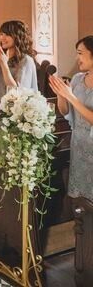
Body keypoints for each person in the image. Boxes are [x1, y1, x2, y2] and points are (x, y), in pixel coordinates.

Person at [49, 36, 93, 201]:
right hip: (78, 145)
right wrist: (61, 95)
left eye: (80, 53)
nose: (77, 58)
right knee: (79, 200)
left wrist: (71, 97)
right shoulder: (77, 79)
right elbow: (65, 111)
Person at [0, 20, 38, 155]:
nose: (2, 38)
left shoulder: (26, 61)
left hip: (16, 116)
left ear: (17, 36)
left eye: (7, 34)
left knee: (12, 157)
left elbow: (16, 91)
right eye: (1, 34)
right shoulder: (2, 56)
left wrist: (4, 65)